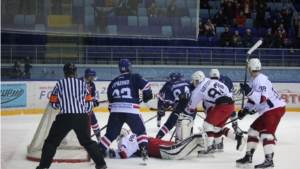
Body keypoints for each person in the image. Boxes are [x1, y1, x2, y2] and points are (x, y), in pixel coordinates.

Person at [35, 63, 106, 169]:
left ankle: (44, 166)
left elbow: (53, 104)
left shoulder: (60, 84)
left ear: (64, 73)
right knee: (87, 141)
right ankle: (101, 164)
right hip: (81, 117)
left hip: (64, 117)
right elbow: (88, 105)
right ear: (75, 73)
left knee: (51, 141)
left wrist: (63, 105)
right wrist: (88, 106)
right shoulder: (83, 85)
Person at [98, 59, 153, 163]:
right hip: (132, 111)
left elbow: (110, 106)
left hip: (115, 111)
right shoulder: (135, 77)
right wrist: (147, 95)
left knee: (110, 135)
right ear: (130, 67)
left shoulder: (113, 82)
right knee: (140, 131)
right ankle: (144, 149)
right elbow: (147, 87)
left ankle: (99, 151)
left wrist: (115, 119)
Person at [236, 58, 286, 168]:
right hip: (267, 110)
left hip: (273, 109)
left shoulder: (261, 80)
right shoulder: (253, 81)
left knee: (266, 135)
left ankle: (269, 161)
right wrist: (245, 111)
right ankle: (248, 156)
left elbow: (262, 98)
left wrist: (249, 91)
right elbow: (252, 100)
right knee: (252, 131)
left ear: (249, 68)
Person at [187, 71, 245, 157]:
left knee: (207, 124)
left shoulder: (198, 90)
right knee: (217, 129)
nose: (193, 83)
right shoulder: (210, 81)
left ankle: (209, 147)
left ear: (198, 80)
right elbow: (226, 89)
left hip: (222, 105)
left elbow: (191, 107)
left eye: (194, 81)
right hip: (230, 104)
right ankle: (238, 137)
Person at [106, 128, 207, 160]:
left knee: (173, 150)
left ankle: (195, 139)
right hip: (151, 140)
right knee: (175, 144)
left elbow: (124, 154)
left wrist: (109, 152)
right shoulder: (133, 134)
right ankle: (197, 142)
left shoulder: (124, 140)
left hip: (150, 147)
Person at [156, 72, 196, 142]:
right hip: (192, 108)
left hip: (179, 108)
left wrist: (163, 109)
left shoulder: (170, 85)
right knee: (189, 123)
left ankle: (157, 138)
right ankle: (189, 139)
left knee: (169, 124)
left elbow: (168, 102)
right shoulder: (187, 83)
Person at [78, 68, 101, 141]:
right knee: (71, 122)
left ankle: (99, 137)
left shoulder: (92, 85)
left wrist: (94, 102)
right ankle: (63, 137)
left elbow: (92, 98)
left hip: (87, 108)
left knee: (94, 122)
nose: (94, 78)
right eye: (93, 76)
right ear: (88, 76)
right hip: (77, 108)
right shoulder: (78, 82)